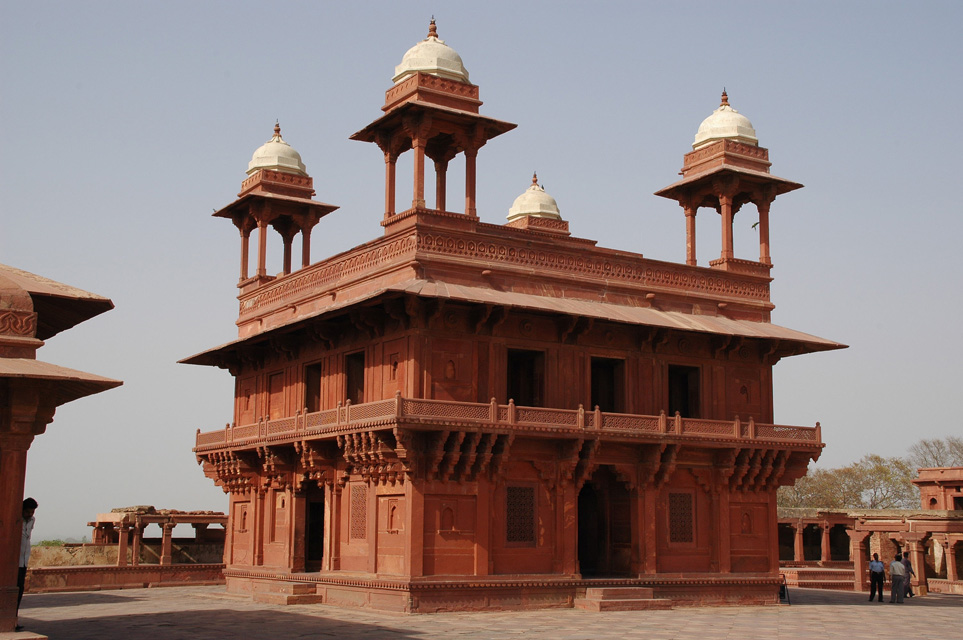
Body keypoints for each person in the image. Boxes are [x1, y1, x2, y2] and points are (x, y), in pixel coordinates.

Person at [17, 497, 38, 631]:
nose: (30, 514)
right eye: (28, 512)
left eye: (32, 512)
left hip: (23, 560)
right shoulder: (16, 520)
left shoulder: (32, 521)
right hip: (14, 560)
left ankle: (14, 618)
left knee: (19, 590)